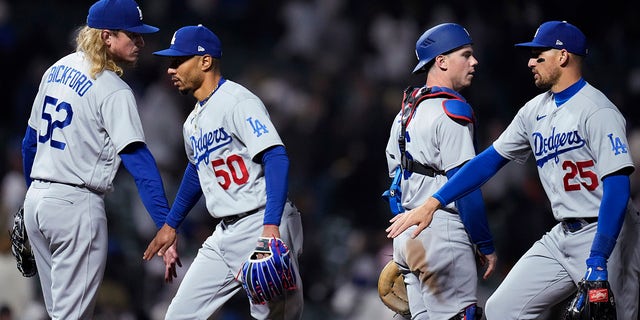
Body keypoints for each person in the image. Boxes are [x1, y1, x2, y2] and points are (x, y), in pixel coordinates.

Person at [386, 20, 640, 319]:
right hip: (562, 235)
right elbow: (487, 161)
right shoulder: (533, 111)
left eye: (539, 55)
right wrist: (434, 202)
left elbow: (618, 187)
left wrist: (599, 256)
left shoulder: (598, 110)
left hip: (609, 233)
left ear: (563, 56)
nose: (531, 61)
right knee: (501, 309)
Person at [20, 0, 179, 318]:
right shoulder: (113, 89)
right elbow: (140, 164)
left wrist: (28, 200)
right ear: (107, 36)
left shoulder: (55, 70)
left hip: (38, 203)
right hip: (75, 208)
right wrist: (165, 223)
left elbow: (28, 145)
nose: (140, 42)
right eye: (132, 35)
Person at [143, 24, 304, 319]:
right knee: (178, 315)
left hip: (262, 222)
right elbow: (197, 172)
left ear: (205, 61)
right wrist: (171, 225)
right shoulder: (191, 121)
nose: (171, 69)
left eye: (179, 61)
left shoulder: (238, 101)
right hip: (225, 232)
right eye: (170, 62)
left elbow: (276, 156)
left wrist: (270, 227)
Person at [382, 22, 497, 319]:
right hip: (440, 231)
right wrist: (483, 242)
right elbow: (466, 185)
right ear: (442, 61)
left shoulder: (405, 113)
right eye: (466, 54)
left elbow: (393, 182)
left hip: (407, 233)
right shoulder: (450, 110)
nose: (474, 62)